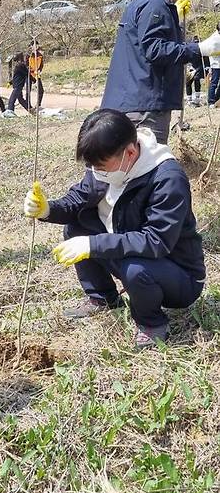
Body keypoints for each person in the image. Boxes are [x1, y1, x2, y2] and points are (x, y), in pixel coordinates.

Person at [24, 109, 205, 350]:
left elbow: (156, 241)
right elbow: (79, 198)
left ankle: (152, 323)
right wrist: (47, 209)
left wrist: (93, 244)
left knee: (136, 269)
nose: (96, 172)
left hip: (177, 275)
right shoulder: (107, 165)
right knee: (76, 228)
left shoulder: (167, 178)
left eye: (101, 167)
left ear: (130, 152)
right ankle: (103, 298)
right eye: (91, 166)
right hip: (131, 252)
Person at [102, 0, 220, 144]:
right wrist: (199, 49)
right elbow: (154, 49)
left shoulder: (145, 1)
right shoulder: (155, 4)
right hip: (144, 108)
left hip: (135, 102)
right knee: (147, 170)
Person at [3, 53, 31, 117]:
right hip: (17, 85)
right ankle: (30, 109)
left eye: (15, 56)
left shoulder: (21, 65)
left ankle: (10, 113)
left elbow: (27, 74)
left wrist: (34, 79)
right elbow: (16, 77)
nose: (14, 57)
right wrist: (10, 82)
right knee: (21, 100)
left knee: (11, 100)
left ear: (18, 57)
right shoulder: (19, 65)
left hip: (18, 86)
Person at [185, 37, 208, 107]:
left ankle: (197, 99)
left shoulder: (203, 50)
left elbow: (205, 62)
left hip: (199, 68)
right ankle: (189, 100)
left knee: (196, 79)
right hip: (191, 67)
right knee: (188, 82)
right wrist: (189, 68)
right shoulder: (189, 49)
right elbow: (186, 59)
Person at [27, 42, 44, 110]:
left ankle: (38, 105)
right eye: (34, 45)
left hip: (37, 74)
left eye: (37, 45)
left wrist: (39, 70)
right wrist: (32, 70)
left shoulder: (40, 55)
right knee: (28, 90)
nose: (36, 46)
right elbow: (26, 65)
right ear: (31, 46)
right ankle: (28, 105)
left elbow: (41, 65)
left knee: (41, 90)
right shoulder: (28, 55)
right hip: (29, 75)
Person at [208, 23, 220, 106]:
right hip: (216, 64)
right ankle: (211, 101)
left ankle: (217, 98)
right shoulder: (215, 38)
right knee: (214, 83)